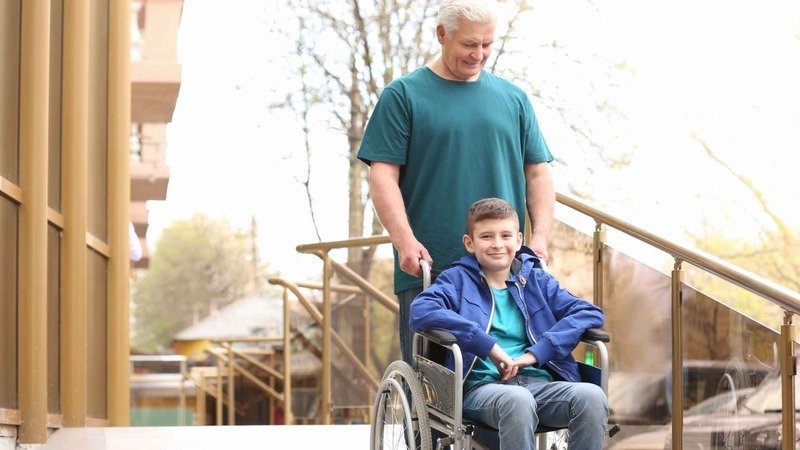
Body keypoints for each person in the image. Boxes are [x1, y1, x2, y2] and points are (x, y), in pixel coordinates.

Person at [357, 0, 555, 366]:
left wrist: (540, 238)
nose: (478, 54)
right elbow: (382, 174)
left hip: (505, 271)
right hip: (432, 270)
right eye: (469, 44)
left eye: (486, 45)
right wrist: (405, 242)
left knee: (512, 382)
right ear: (442, 35)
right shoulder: (404, 96)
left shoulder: (514, 99)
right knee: (435, 395)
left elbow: (538, 173)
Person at [410, 198, 608, 449]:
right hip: (482, 389)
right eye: (487, 237)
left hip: (539, 384)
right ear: (469, 243)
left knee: (591, 396)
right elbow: (421, 310)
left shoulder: (537, 281)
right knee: (518, 400)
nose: (497, 244)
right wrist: (487, 346)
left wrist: (537, 354)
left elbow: (589, 312)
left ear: (519, 240)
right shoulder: (456, 280)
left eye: (505, 235)